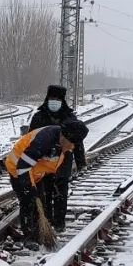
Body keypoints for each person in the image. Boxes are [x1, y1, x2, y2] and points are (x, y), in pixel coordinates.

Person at [5, 119, 89, 243]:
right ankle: (29, 237)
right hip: (17, 168)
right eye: (71, 143)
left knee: (41, 203)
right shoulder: (44, 140)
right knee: (28, 202)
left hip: (36, 172)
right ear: (64, 136)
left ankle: (40, 234)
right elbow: (23, 166)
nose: (72, 147)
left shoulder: (64, 141)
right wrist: (29, 187)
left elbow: (53, 162)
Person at [26, 85, 87, 233]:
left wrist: (80, 161)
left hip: (62, 161)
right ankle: (46, 220)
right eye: (52, 99)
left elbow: (77, 140)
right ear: (47, 99)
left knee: (61, 191)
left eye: (58, 99)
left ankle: (59, 222)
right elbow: (30, 138)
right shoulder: (39, 117)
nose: (55, 102)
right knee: (44, 191)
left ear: (62, 100)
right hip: (43, 162)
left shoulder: (69, 118)